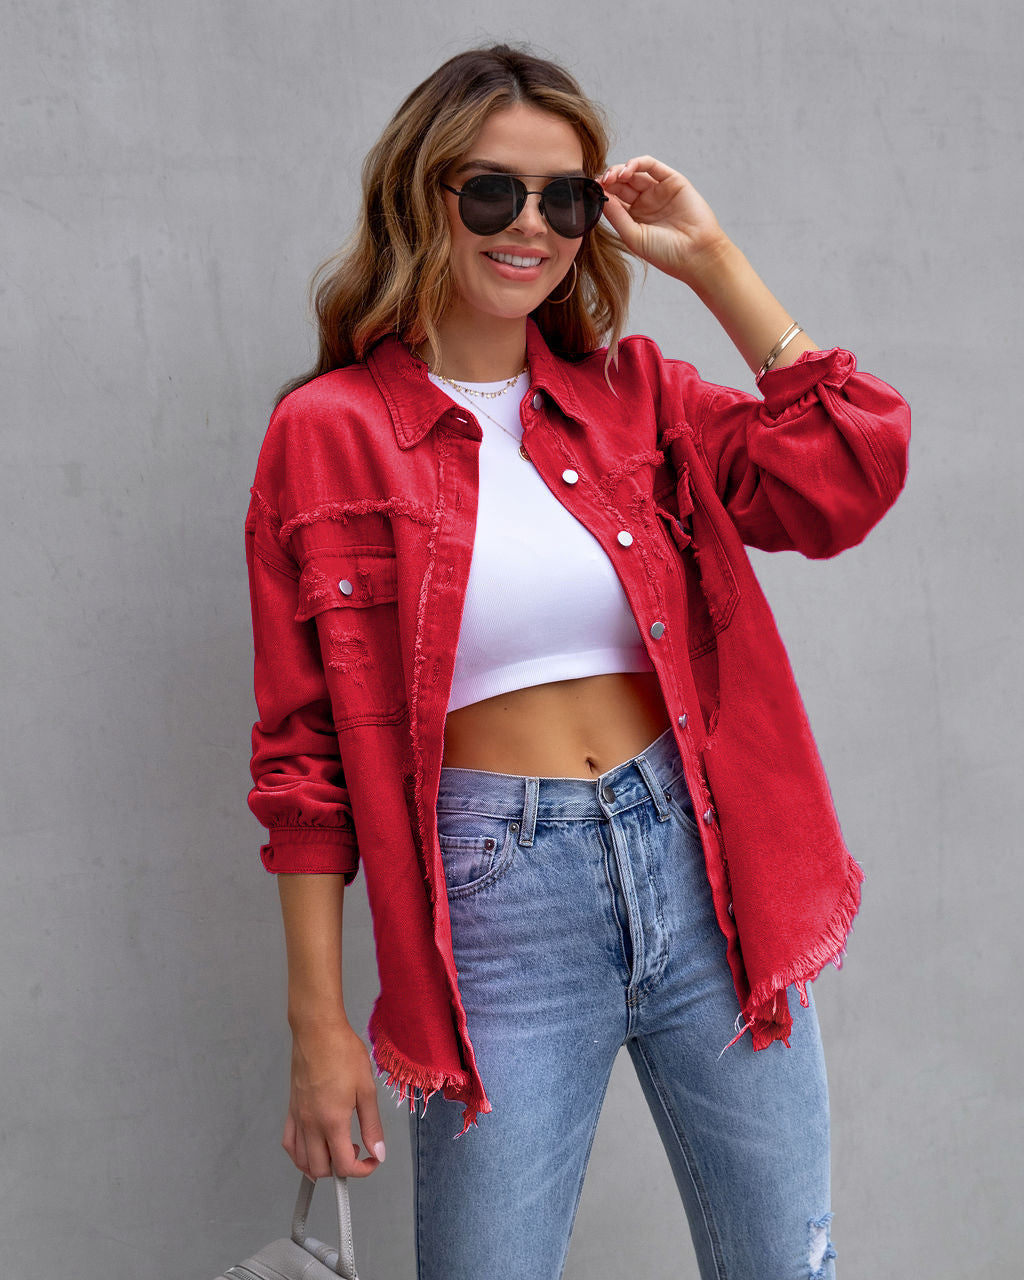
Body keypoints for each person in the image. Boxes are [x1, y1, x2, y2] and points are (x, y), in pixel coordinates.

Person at [245, 43, 909, 1280]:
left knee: (786, 1265)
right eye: (491, 192)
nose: (530, 226)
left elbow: (846, 473)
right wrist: (318, 1020)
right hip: (493, 904)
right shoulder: (326, 433)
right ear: (421, 197)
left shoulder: (636, 396)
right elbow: (301, 758)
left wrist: (712, 260)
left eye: (564, 197)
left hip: (702, 874)